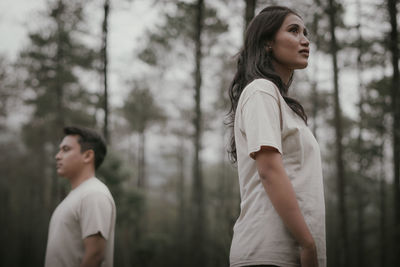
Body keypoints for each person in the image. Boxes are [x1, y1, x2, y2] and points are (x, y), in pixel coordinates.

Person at [227, 6, 326, 267]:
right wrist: (307, 243)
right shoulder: (261, 90)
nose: (305, 40)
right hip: (268, 252)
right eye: (293, 30)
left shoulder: (281, 103)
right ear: (267, 42)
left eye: (306, 33)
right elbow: (269, 170)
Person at [45, 126, 116, 267]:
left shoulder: (94, 194)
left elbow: (95, 255)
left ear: (88, 156)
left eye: (65, 149)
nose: (57, 156)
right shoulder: (78, 195)